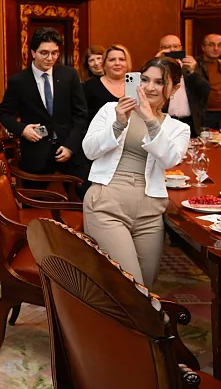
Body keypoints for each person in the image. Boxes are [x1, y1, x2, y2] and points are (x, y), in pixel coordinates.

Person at [82, 57, 189, 288]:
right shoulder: (111, 110)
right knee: (130, 286)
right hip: (106, 203)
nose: (150, 87)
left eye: (160, 82)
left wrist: (150, 119)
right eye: (145, 80)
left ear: (175, 88)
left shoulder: (179, 128)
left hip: (150, 212)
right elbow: (89, 150)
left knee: (146, 284)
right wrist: (119, 124)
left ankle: (132, 323)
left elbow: (170, 159)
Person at [0, 27, 91, 198]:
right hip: (36, 150)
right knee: (32, 203)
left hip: (70, 147)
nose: (50, 58)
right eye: (44, 53)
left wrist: (70, 146)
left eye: (54, 53)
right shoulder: (19, 81)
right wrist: (22, 129)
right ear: (33, 52)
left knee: (87, 197)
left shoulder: (69, 75)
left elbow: (80, 115)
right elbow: (4, 114)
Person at [156, 34, 210, 135]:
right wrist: (156, 63)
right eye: (167, 47)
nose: (172, 50)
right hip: (165, 121)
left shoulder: (189, 66)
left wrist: (193, 71)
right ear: (160, 50)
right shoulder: (156, 69)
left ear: (181, 48)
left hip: (190, 122)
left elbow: (205, 89)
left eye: (176, 46)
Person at [195, 33, 221, 129]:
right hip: (204, 113)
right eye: (211, 45)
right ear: (203, 47)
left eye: (220, 45)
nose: (216, 48)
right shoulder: (195, 65)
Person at [83, 44, 130, 122]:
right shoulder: (89, 86)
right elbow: (81, 116)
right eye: (112, 60)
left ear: (128, 63)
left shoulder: (139, 84)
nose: (117, 63)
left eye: (122, 59)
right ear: (104, 64)